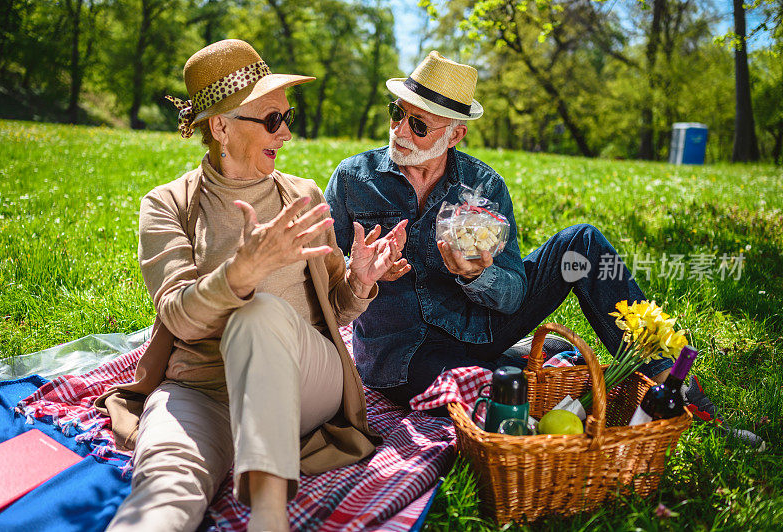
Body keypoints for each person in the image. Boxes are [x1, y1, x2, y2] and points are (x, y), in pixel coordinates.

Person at [100, 40, 401, 532]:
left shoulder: (303, 196)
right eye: (269, 120)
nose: (284, 134)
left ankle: (268, 516)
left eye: (287, 118)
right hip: (203, 390)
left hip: (304, 381)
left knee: (259, 314)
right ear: (220, 127)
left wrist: (361, 281)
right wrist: (243, 270)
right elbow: (177, 314)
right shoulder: (166, 205)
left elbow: (336, 309)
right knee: (161, 493)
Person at [325, 51, 676, 411]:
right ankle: (515, 364)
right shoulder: (354, 179)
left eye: (418, 125)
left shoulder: (483, 184)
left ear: (455, 134)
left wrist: (479, 274)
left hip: (481, 327)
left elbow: (513, 294)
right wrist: (360, 274)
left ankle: (669, 380)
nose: (399, 130)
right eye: (397, 113)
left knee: (580, 244)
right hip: (403, 354)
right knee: (506, 397)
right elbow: (322, 281)